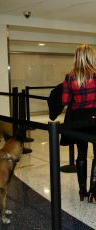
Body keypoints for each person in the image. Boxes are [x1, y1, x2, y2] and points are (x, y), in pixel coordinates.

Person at [62, 44, 96, 204]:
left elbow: (64, 101)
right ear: (90, 56)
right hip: (95, 119)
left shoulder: (69, 77)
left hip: (77, 120)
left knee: (81, 154)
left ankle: (82, 190)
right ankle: (94, 193)